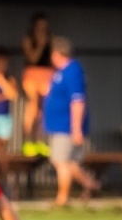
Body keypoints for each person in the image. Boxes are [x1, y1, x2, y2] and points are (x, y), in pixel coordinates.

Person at [43, 36, 101, 206]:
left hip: (66, 126)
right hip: (58, 125)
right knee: (71, 163)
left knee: (62, 162)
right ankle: (92, 185)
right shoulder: (61, 72)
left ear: (57, 53)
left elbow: (78, 101)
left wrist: (76, 128)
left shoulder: (73, 71)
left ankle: (62, 199)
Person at [20, 13, 54, 150]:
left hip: (47, 74)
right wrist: (40, 44)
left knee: (44, 109)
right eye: (40, 26)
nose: (42, 29)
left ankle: (39, 141)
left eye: (44, 26)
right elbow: (32, 58)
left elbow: (52, 60)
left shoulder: (50, 38)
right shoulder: (28, 39)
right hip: (32, 73)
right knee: (33, 106)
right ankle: (27, 141)